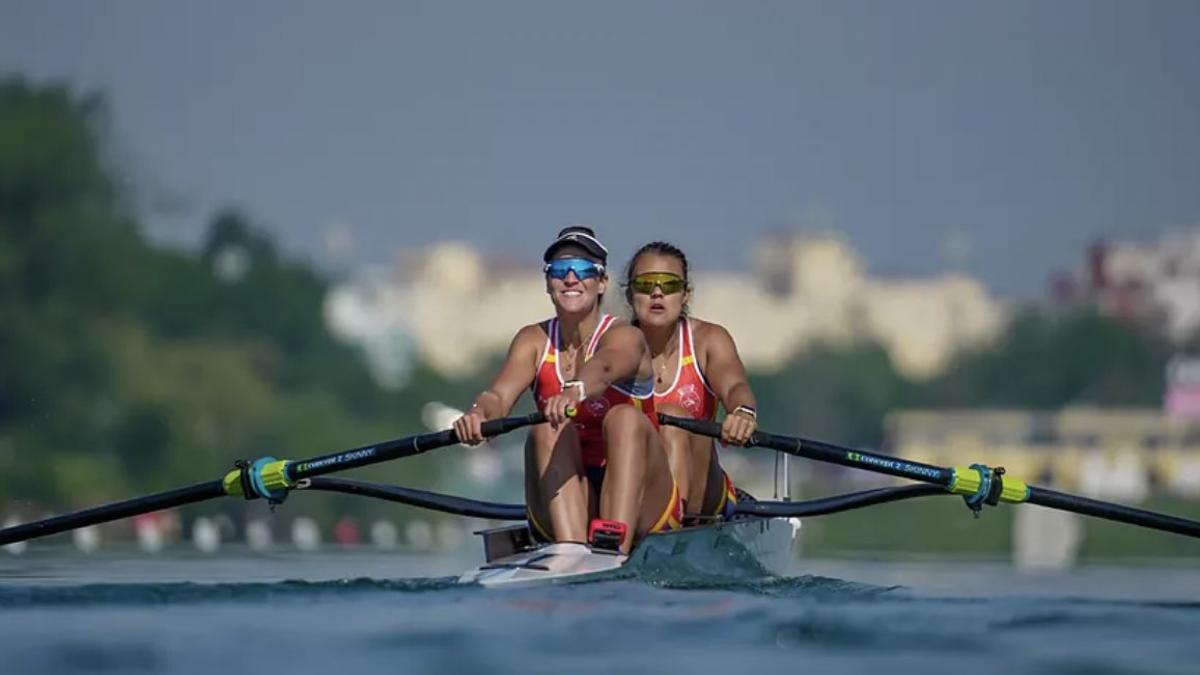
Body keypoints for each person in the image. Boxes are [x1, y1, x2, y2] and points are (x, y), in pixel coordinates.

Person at [453, 226, 681, 554]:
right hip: (566, 495)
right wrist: (478, 416)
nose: (571, 278)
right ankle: (572, 553)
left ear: (601, 282)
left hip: (645, 499)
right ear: (548, 283)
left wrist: (576, 390)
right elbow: (498, 397)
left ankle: (612, 544)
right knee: (546, 427)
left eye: (584, 269)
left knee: (624, 419)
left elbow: (604, 367)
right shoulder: (532, 340)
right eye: (560, 270)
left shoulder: (626, 337)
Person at [623, 241, 758, 521]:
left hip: (703, 492)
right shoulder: (610, 347)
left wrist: (742, 412)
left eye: (670, 285)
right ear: (630, 295)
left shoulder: (708, 340)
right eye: (646, 284)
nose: (657, 293)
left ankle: (674, 524)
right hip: (632, 487)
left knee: (671, 417)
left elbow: (734, 386)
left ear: (685, 295)